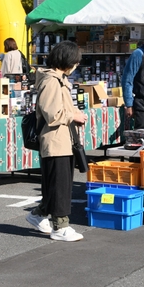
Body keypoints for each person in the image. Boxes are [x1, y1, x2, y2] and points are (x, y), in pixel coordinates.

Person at [25, 40, 87, 241]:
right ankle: (60, 227)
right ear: (67, 61)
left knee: (57, 184)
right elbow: (52, 113)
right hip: (55, 140)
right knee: (60, 185)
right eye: (75, 62)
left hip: (62, 139)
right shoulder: (52, 81)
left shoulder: (56, 79)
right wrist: (73, 116)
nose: (76, 66)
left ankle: (39, 215)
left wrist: (74, 114)